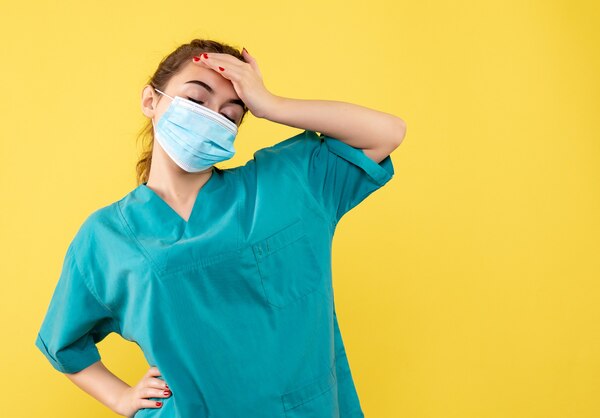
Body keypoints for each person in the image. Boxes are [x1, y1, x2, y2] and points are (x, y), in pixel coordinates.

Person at [34, 38, 406, 418]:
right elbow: (64, 342)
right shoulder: (107, 236)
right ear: (151, 101)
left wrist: (270, 104)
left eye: (230, 114)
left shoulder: (286, 184)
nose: (211, 118)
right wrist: (121, 398)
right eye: (196, 101)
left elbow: (387, 132)